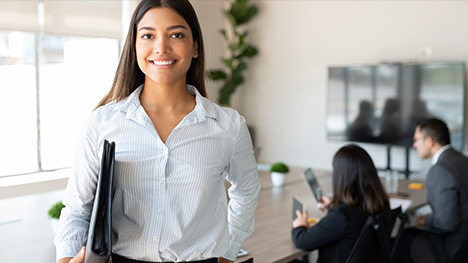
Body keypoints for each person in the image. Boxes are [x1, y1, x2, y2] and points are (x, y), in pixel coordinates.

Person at [54, 1, 261, 263]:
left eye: (176, 34)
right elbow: (77, 209)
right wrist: (65, 260)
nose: (161, 47)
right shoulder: (102, 123)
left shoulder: (228, 126)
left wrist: (229, 252)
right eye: (148, 35)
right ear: (135, 46)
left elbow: (247, 191)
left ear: (195, 46)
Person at [291, 144, 390, 262]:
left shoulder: (341, 216)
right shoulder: (379, 203)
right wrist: (332, 206)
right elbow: (352, 221)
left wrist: (300, 226)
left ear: (341, 176)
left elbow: (302, 241)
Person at [394, 118, 468, 262]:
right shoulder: (463, 161)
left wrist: (425, 219)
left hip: (452, 245)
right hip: (465, 241)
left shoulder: (440, 170)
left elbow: (447, 222)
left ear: (429, 141)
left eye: (416, 140)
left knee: (397, 241)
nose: (414, 145)